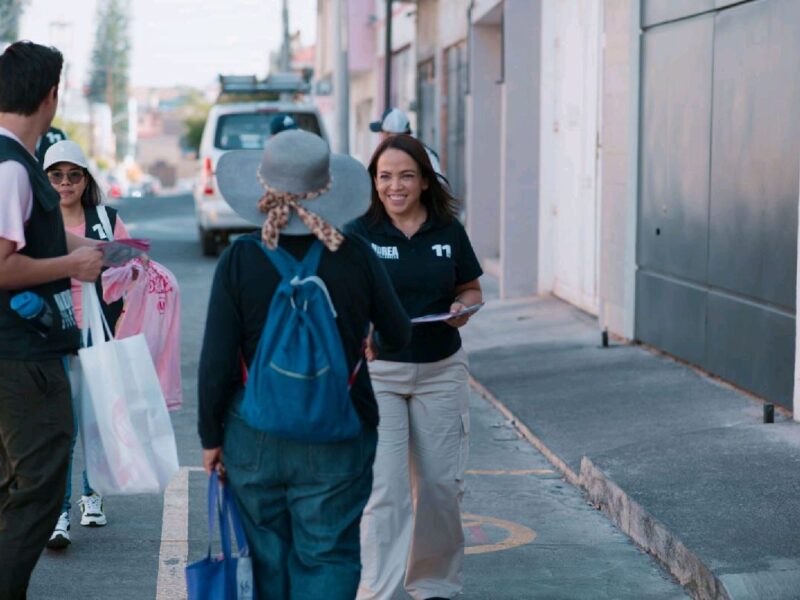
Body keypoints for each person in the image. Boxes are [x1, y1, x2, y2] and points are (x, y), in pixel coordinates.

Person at [197, 129, 411, 600]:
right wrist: (369, 339)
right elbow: (398, 332)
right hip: (340, 430)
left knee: (268, 557)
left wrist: (212, 438)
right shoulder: (354, 254)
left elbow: (216, 361)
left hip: (254, 435)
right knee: (329, 554)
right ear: (328, 189)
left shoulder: (241, 258)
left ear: (261, 190)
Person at [345, 134, 483, 600]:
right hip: (379, 373)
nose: (395, 186)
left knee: (441, 488)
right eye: (384, 177)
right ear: (374, 183)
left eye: (406, 175)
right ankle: (376, 591)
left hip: (440, 370)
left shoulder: (448, 231)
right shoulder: (359, 232)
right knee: (386, 493)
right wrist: (358, 327)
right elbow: (343, 298)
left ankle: (433, 586)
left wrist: (464, 306)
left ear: (424, 181)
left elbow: (470, 288)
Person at [0, 41, 103, 599]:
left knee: (15, 484)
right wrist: (72, 264)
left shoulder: (15, 162)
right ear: (51, 95)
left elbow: (29, 233)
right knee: (37, 487)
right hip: (19, 356)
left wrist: (95, 251)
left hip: (20, 354)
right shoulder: (11, 166)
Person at [42, 139, 130, 549]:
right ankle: (58, 512)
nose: (65, 183)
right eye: (56, 175)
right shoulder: (35, 222)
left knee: (94, 421)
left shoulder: (105, 220)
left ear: (85, 179)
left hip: (98, 335)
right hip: (52, 335)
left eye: (73, 175)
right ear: (44, 181)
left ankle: (90, 496)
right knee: (65, 427)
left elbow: (132, 270)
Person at [369, 107, 444, 179]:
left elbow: (440, 185)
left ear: (388, 134)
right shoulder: (425, 152)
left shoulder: (426, 155)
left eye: (383, 132)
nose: (382, 136)